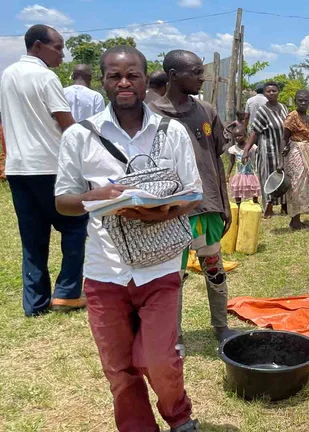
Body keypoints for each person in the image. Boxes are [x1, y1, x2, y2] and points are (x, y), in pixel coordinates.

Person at [54, 45, 202, 432]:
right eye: (115, 76)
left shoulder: (172, 132)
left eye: (132, 75)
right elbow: (63, 201)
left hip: (160, 267)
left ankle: (179, 417)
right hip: (104, 271)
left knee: (157, 359)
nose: (124, 82)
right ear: (102, 81)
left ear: (145, 79)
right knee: (119, 369)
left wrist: (161, 211)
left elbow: (193, 193)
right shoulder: (80, 136)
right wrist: (95, 196)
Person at [149, 50, 236, 354]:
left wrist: (224, 202)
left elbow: (216, 160)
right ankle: (174, 335)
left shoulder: (206, 111)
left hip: (207, 206)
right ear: (173, 76)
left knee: (214, 268)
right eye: (196, 72)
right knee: (173, 277)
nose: (202, 77)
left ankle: (221, 327)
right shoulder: (151, 116)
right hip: (171, 211)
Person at [0, 24, 88, 316]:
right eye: (58, 47)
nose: (62, 54)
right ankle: (67, 293)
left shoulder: (8, 75)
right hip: (50, 165)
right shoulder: (46, 77)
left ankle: (35, 303)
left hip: (18, 168)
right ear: (38, 46)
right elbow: (67, 125)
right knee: (75, 225)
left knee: (32, 237)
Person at [282, 90, 309, 230]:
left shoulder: (307, 117)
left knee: (307, 185)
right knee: (297, 185)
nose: (303, 103)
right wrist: (280, 159)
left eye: (306, 100)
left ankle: (298, 218)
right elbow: (284, 138)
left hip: (308, 153)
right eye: (300, 100)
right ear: (295, 101)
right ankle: (294, 220)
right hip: (297, 153)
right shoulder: (292, 116)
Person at [242, 82, 288, 218]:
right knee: (269, 178)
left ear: (278, 92)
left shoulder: (283, 108)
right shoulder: (262, 111)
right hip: (268, 151)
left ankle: (285, 206)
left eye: (274, 91)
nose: (272, 93)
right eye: (269, 91)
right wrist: (246, 150)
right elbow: (254, 132)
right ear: (265, 93)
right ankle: (268, 208)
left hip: (283, 150)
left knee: (284, 176)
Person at [227, 123, 260, 206]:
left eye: (240, 135)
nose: (237, 138)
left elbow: (258, 157)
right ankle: (238, 205)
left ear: (245, 135)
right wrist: (228, 173)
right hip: (239, 173)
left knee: (254, 188)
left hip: (251, 173)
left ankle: (255, 203)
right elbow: (231, 161)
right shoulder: (233, 149)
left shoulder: (252, 147)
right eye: (235, 136)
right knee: (238, 189)